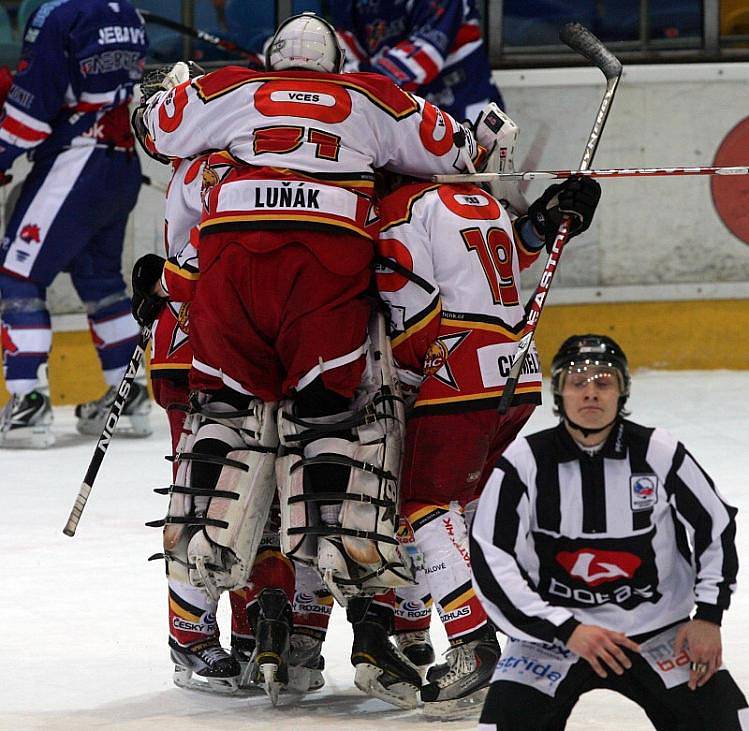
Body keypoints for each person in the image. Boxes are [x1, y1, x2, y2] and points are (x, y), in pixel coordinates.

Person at [133, 11, 486, 702]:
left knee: (223, 443)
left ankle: (199, 629)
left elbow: (156, 129)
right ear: (332, 66)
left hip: (225, 282)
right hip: (327, 271)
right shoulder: (371, 95)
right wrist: (483, 139)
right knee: (332, 434)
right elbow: (454, 149)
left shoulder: (227, 95)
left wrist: (162, 96)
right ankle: (349, 606)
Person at [374, 148, 601, 718]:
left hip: (458, 369)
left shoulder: (403, 206)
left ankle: (473, 645)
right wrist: (545, 225)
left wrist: (403, 377)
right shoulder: (482, 201)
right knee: (465, 506)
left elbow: (409, 302)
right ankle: (508, 629)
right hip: (516, 364)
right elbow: (505, 260)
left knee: (421, 501)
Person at [470, 334, 748, 730]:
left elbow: (714, 526)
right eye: (577, 382)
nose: (590, 393)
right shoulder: (524, 461)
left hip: (657, 632)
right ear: (559, 393)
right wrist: (565, 629)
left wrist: (708, 617)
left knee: (727, 724)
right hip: (551, 639)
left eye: (603, 382)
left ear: (622, 391)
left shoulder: (659, 452)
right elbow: (490, 555)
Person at [0, 0, 150, 448]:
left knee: (17, 276)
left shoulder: (56, 14)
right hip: (120, 165)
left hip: (76, 163)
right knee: (101, 281)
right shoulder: (130, 14)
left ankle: (27, 404)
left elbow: (33, 106)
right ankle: (127, 400)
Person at [332, 0, 503, 121]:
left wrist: (358, 84)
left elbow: (424, 55)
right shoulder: (349, 5)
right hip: (405, 117)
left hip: (466, 107)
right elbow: (344, 52)